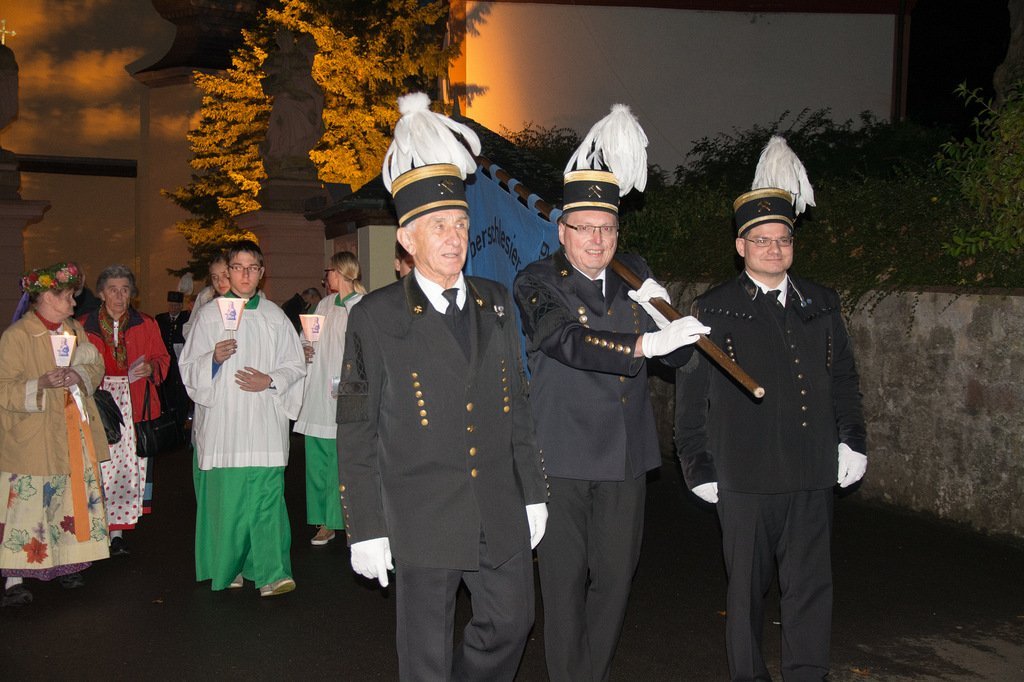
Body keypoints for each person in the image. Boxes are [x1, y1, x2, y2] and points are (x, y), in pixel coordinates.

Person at [336, 93, 547, 680]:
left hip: (498, 506)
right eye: (436, 227)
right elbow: (356, 428)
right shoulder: (373, 317)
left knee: (512, 623)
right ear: (407, 238)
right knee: (424, 655)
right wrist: (366, 529)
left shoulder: (496, 301)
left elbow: (518, 405)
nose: (453, 238)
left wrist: (533, 489)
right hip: (421, 515)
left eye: (459, 224)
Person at [513, 104, 709, 682]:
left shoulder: (635, 272)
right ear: (563, 231)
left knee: (617, 578)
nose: (598, 240)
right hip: (564, 456)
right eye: (586, 228)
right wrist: (644, 346)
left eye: (608, 228)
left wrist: (671, 325)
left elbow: (673, 357)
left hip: (625, 454)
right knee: (565, 580)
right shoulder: (537, 281)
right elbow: (565, 342)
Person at [674, 136, 867, 681]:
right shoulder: (714, 310)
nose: (774, 248)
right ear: (741, 246)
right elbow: (692, 402)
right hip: (745, 479)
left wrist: (852, 438)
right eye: (761, 240)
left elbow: (844, 379)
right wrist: (698, 465)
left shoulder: (820, 303)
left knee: (810, 591)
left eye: (782, 239)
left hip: (811, 473)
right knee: (748, 596)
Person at [179, 240, 306, 597]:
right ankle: (230, 566)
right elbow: (189, 369)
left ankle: (272, 572)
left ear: (262, 273)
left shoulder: (274, 317)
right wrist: (214, 359)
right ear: (228, 271)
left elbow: (295, 366)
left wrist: (271, 380)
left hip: (264, 423)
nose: (245, 274)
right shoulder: (208, 316)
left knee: (267, 500)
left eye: (253, 268)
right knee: (229, 502)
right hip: (226, 426)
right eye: (238, 267)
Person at [0, 262, 111, 607]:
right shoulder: (17, 336)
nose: (74, 304)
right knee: (27, 502)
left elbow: (96, 365)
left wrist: (79, 375)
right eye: (68, 297)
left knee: (68, 498)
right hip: (33, 436)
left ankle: (67, 562)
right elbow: (4, 389)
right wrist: (40, 384)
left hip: (71, 430)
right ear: (47, 296)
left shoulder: (75, 330)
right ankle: (13, 576)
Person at [80, 264, 170, 556]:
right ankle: (93, 529)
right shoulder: (84, 325)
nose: (119, 296)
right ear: (101, 294)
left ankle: (117, 532)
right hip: (98, 402)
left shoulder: (146, 323)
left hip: (134, 403)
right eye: (113, 290)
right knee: (96, 467)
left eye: (125, 289)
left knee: (125, 470)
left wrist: (152, 367)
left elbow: (162, 359)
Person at [293, 251, 365, 546]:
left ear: (343, 271)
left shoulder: (361, 306)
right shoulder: (323, 304)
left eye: (330, 271)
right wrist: (304, 349)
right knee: (318, 459)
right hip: (319, 393)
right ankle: (324, 522)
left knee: (343, 460)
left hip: (347, 392)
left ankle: (347, 519)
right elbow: (306, 339)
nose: (327, 276)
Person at [155, 291, 190, 436]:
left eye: (176, 305)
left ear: (180, 306)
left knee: (181, 393)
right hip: (166, 364)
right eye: (171, 305)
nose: (173, 308)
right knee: (166, 393)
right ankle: (168, 423)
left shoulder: (185, 318)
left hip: (180, 363)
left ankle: (180, 424)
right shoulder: (160, 318)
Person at [183, 254, 231, 340]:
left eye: (225, 275)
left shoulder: (249, 297)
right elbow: (190, 331)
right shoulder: (206, 296)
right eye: (214, 277)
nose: (220, 281)